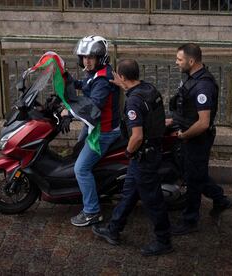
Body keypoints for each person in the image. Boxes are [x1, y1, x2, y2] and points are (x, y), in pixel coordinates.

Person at [92, 59, 173, 256]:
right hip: (151, 151)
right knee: (129, 192)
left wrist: (128, 152)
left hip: (142, 156)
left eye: (118, 75)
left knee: (152, 200)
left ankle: (164, 240)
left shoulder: (133, 102)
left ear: (123, 77)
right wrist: (123, 84)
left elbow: (137, 136)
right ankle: (114, 230)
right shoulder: (149, 89)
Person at [166, 43, 232, 236]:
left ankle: (190, 221)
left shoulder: (203, 86)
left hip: (196, 139)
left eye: (179, 59)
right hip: (189, 135)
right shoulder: (192, 78)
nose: (176, 62)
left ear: (191, 61)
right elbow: (187, 112)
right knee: (195, 174)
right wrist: (171, 122)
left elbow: (203, 123)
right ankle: (220, 199)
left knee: (193, 179)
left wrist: (184, 136)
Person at [62, 35, 121, 227]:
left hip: (103, 131)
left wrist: (69, 113)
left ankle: (92, 212)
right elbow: (85, 86)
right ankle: (96, 191)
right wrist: (68, 80)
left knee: (81, 168)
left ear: (100, 58)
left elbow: (93, 106)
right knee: (78, 153)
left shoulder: (103, 79)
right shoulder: (95, 73)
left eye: (91, 57)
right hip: (94, 127)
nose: (86, 61)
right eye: (84, 57)